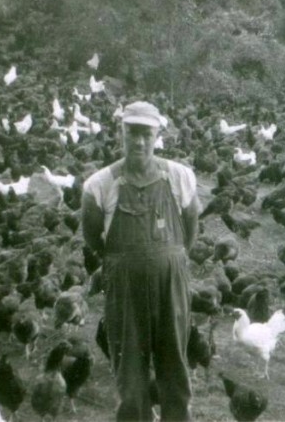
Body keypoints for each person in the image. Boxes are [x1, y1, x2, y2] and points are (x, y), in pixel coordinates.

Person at [82, 101, 200, 421]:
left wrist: (170, 260)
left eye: (146, 133)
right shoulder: (99, 185)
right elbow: (94, 239)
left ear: (157, 134)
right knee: (129, 365)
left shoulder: (180, 176)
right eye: (132, 132)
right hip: (124, 287)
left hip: (170, 284)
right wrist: (125, 263)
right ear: (121, 132)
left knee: (174, 361)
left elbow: (190, 229)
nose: (139, 141)